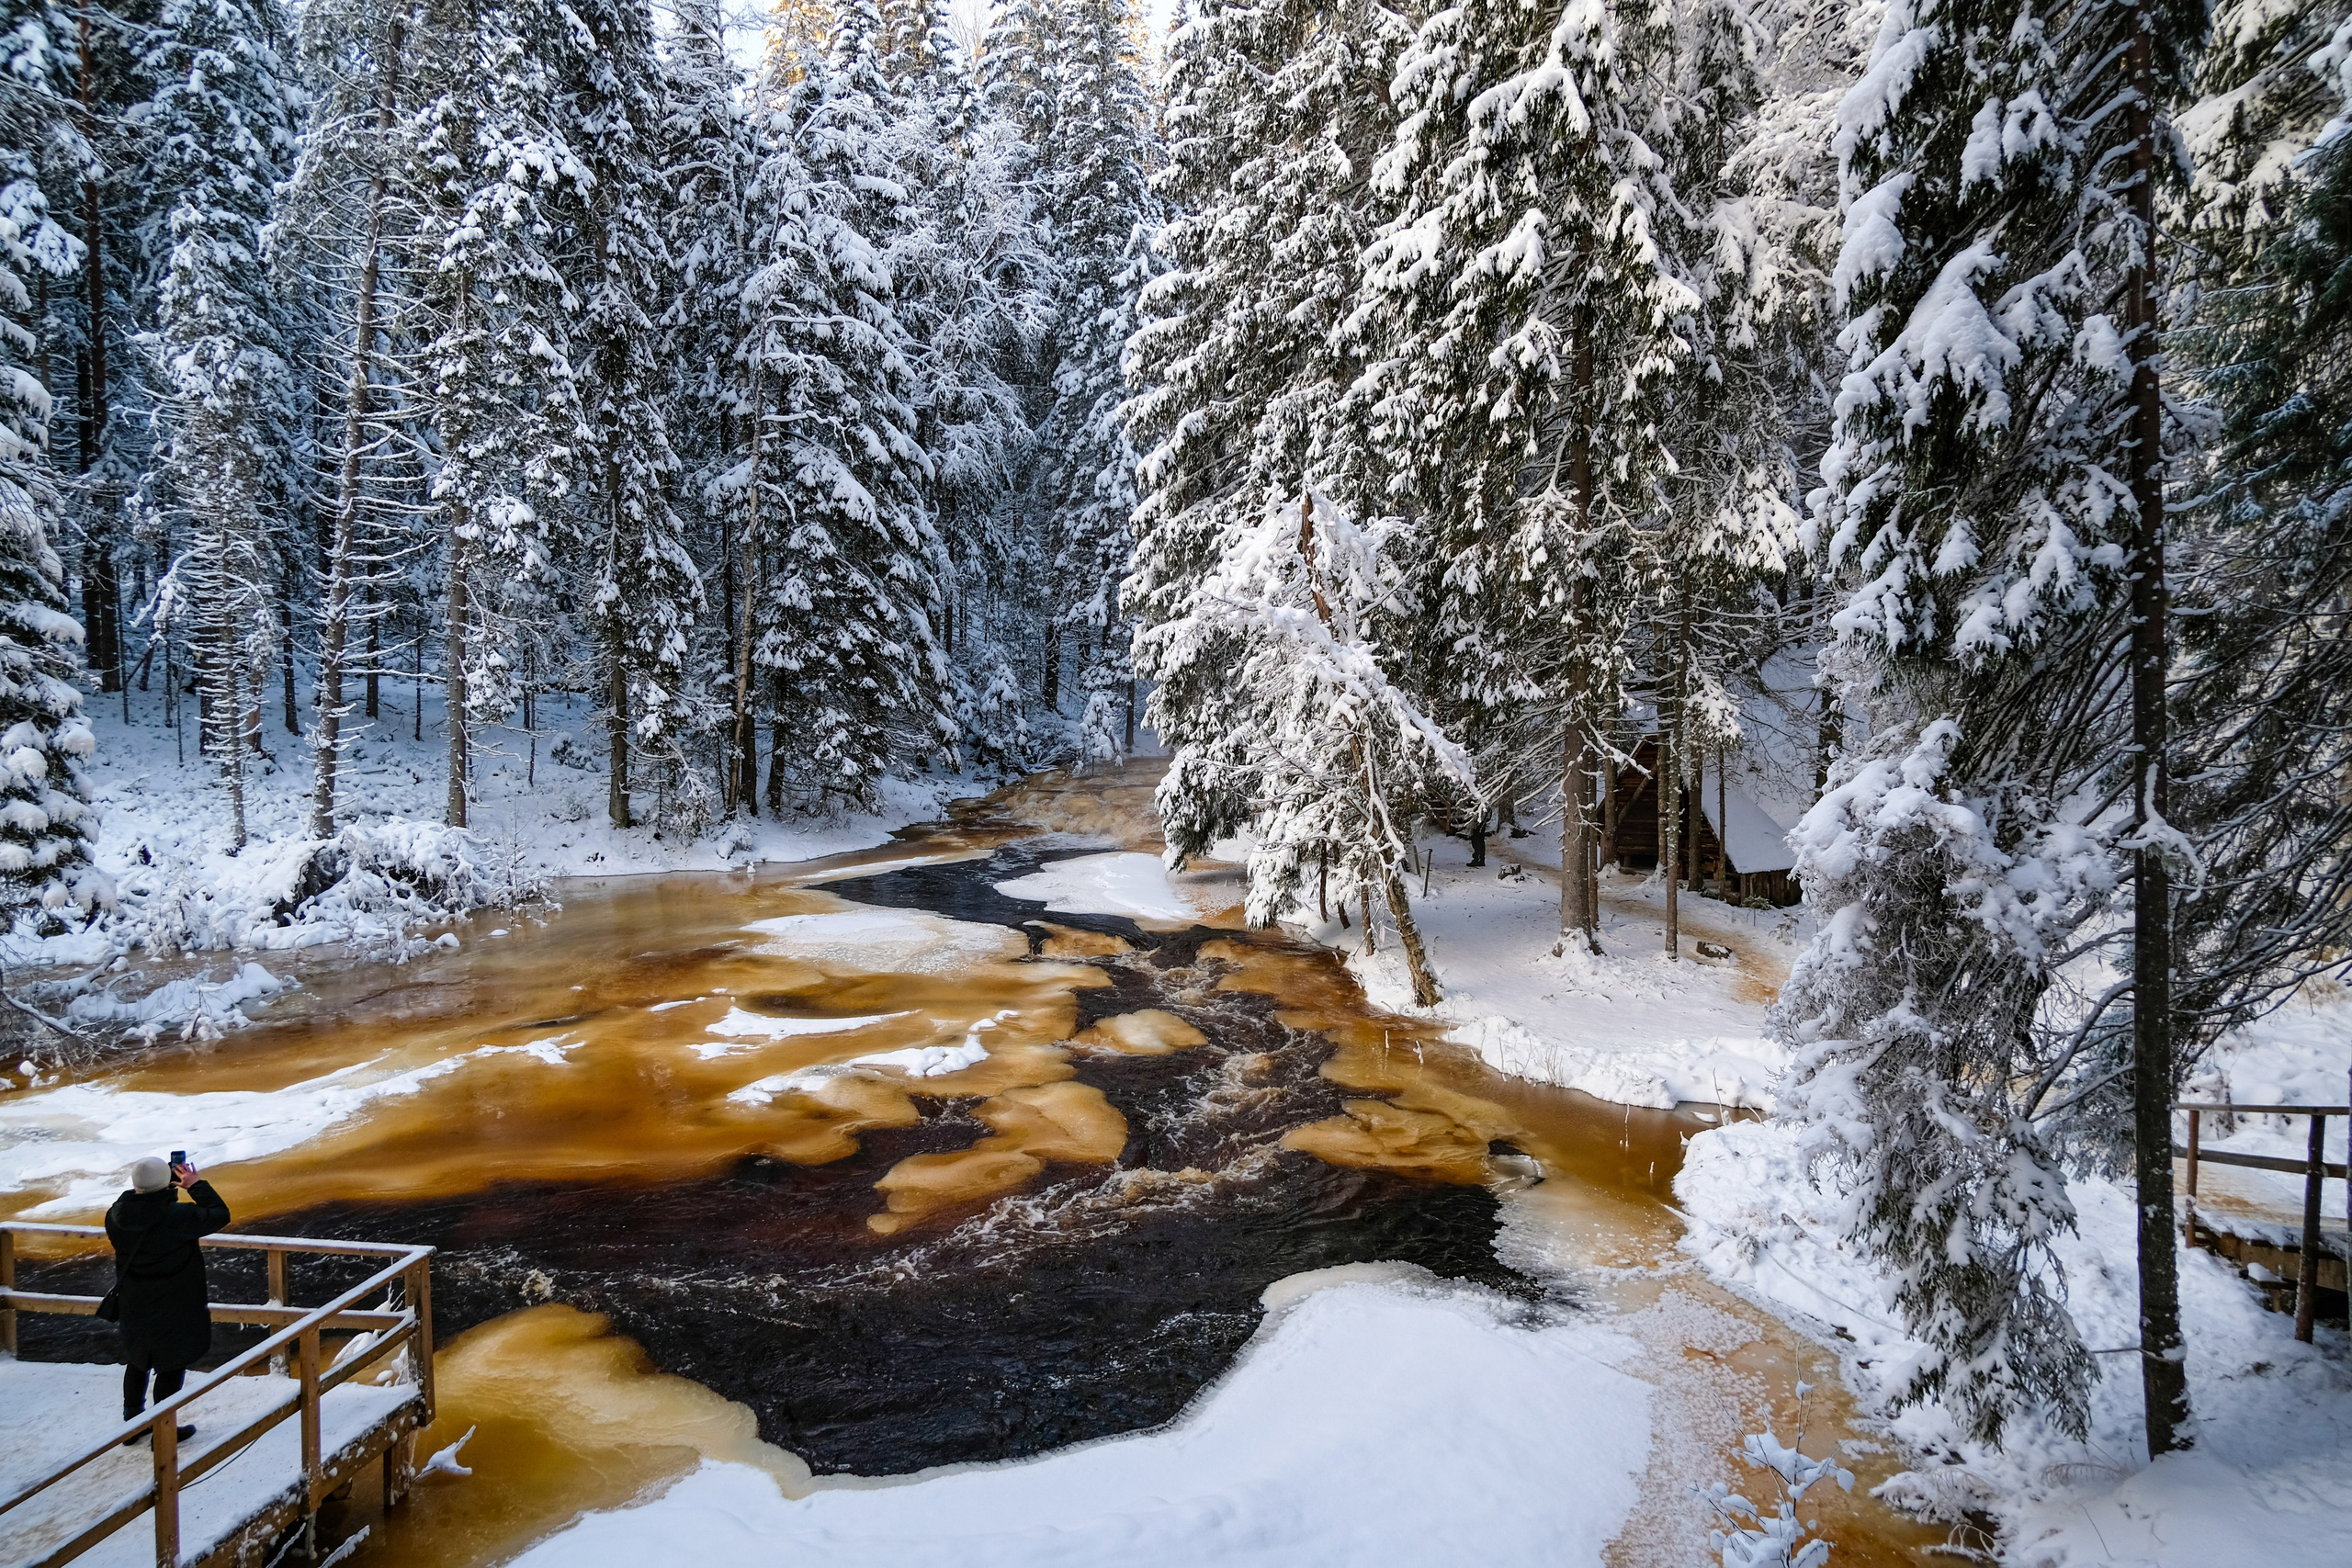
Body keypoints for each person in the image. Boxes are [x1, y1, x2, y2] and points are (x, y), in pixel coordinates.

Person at [105, 1156, 230, 1444]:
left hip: (135, 1303)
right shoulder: (178, 1217)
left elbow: (138, 1211)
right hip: (175, 1304)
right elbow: (219, 1214)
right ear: (167, 1183)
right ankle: (164, 1432)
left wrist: (156, 1191)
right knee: (171, 1365)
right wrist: (195, 1185)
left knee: (138, 1361)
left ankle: (133, 1425)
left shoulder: (115, 1216)